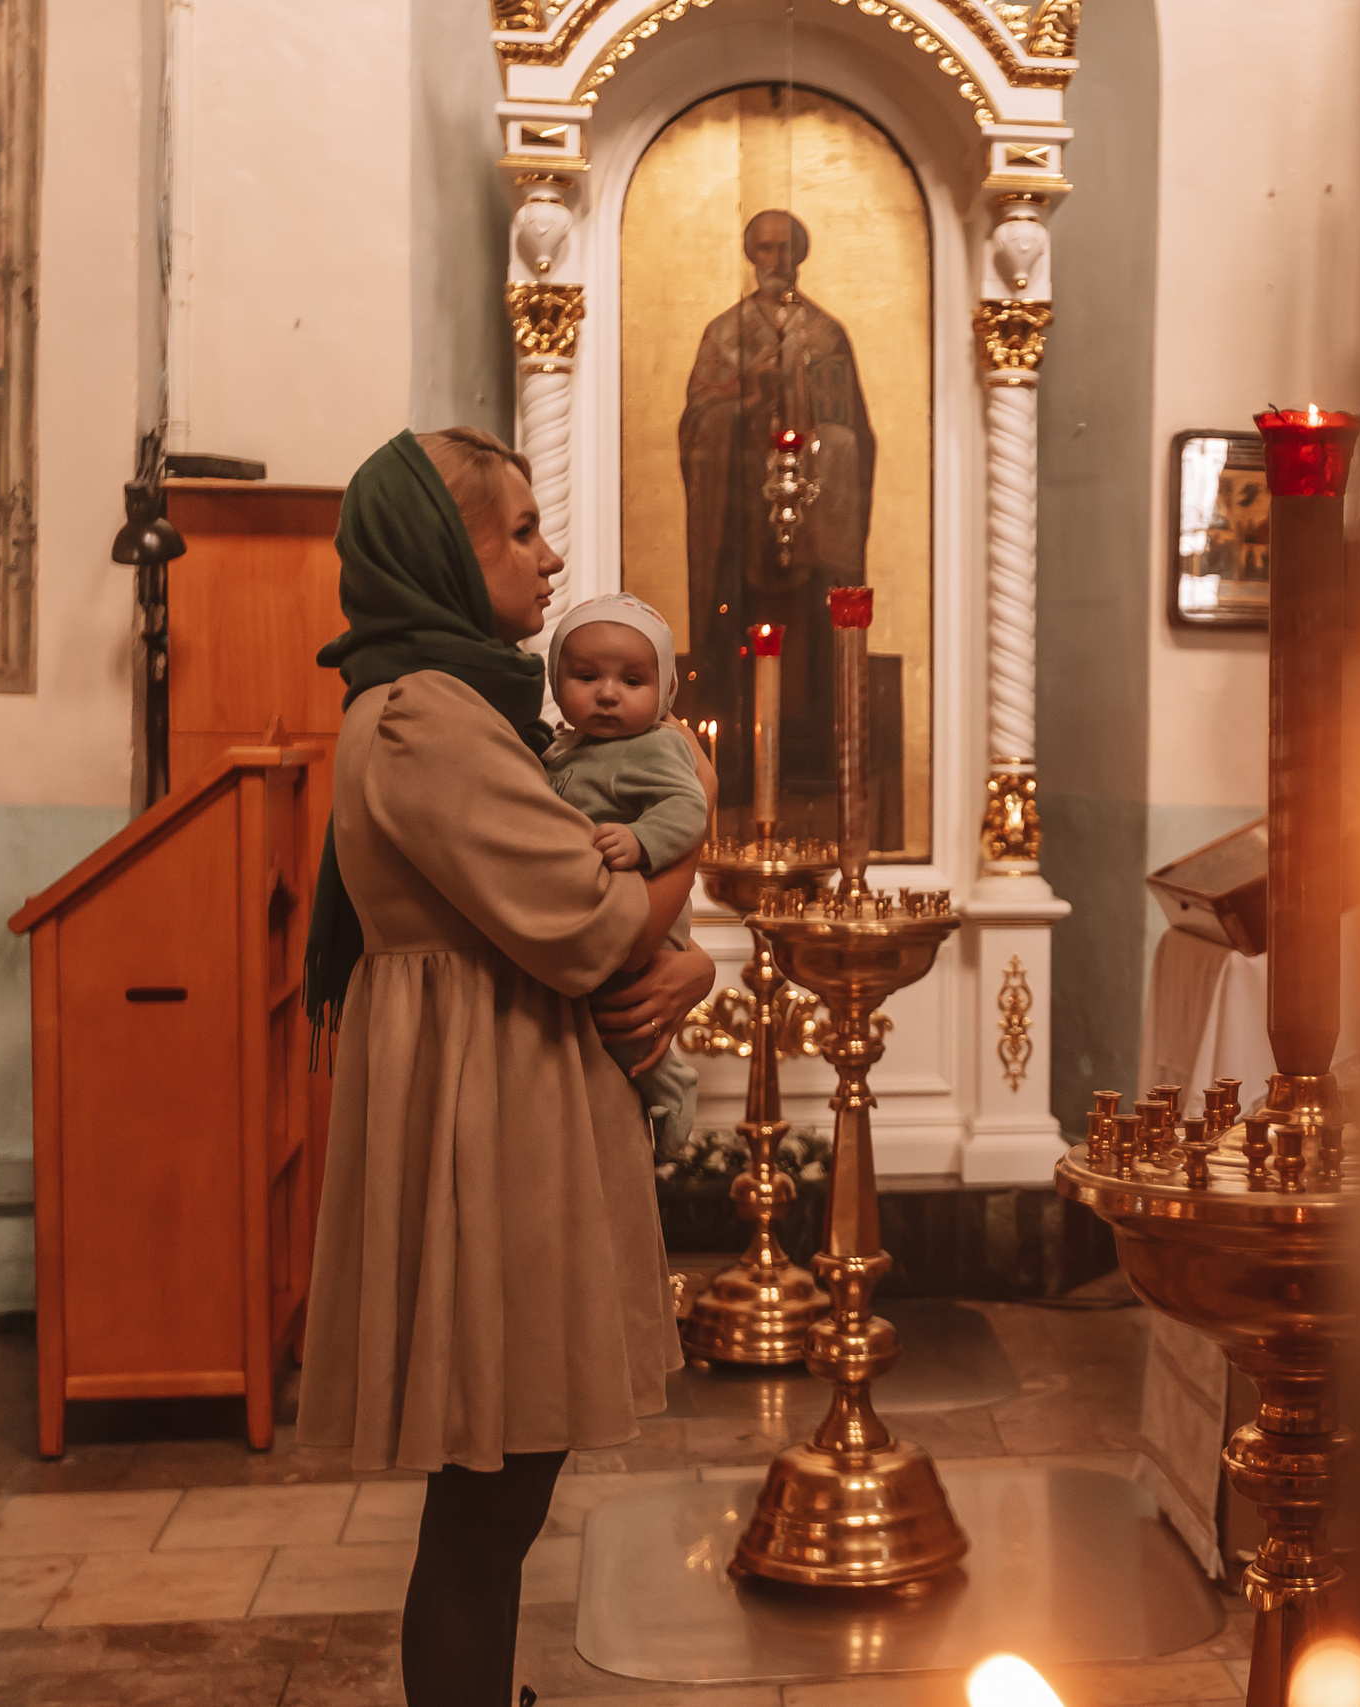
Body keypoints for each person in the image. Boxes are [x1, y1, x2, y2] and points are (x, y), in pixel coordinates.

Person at [296, 427, 715, 1707]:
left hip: (505, 1082)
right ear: (442, 549)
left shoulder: (452, 699)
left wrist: (684, 960)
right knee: (484, 1509)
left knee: (496, 1502)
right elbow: (588, 926)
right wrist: (694, 819)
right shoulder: (427, 718)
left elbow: (586, 907)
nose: (553, 557)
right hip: (489, 1112)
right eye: (522, 531)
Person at [676, 208, 874, 810]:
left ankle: (814, 757)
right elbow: (697, 422)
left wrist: (820, 443)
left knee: (809, 641)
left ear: (801, 254)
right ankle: (732, 761)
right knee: (736, 628)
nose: (774, 259)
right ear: (749, 254)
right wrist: (749, 395)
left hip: (810, 516)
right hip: (740, 516)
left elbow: (851, 432)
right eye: (763, 248)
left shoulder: (826, 333)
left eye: (785, 248)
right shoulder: (725, 332)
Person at [542, 591, 710, 1163]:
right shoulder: (564, 749)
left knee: (631, 1026)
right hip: (596, 916)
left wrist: (641, 841)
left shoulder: (656, 745)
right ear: (557, 680)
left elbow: (689, 808)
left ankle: (670, 1090)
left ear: (664, 693)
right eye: (586, 676)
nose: (608, 693)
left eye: (632, 681)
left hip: (643, 914)